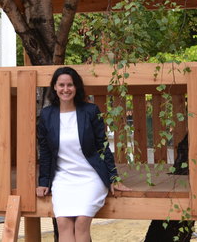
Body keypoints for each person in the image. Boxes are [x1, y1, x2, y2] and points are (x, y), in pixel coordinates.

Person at [36, 66, 131, 242]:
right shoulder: (47, 115)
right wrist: (43, 182)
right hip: (63, 177)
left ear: (76, 87)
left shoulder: (90, 111)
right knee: (63, 223)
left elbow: (103, 147)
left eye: (70, 85)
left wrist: (113, 178)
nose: (66, 89)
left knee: (81, 222)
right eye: (61, 85)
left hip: (90, 176)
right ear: (55, 87)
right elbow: (45, 151)